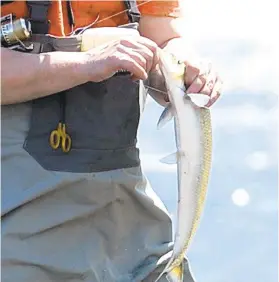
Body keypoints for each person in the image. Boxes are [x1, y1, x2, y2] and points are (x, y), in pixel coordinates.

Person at [1, 1, 222, 282]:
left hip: (133, 234)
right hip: (16, 238)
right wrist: (89, 64)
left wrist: (186, 69)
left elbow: (165, 38)